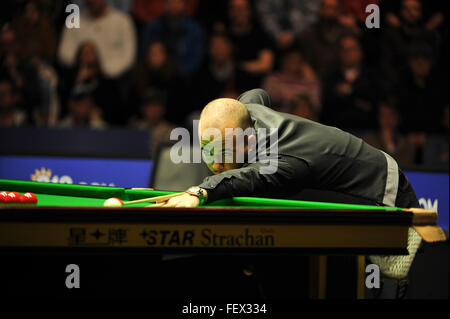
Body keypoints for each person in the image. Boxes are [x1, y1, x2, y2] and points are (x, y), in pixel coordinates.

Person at [159, 88, 423, 296]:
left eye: (225, 151)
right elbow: (257, 93)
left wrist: (200, 191)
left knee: (376, 276)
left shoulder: (284, 161)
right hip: (341, 181)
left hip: (381, 187)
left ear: (247, 139)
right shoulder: (248, 109)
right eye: (208, 149)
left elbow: (246, 178)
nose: (216, 163)